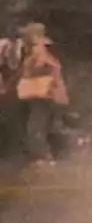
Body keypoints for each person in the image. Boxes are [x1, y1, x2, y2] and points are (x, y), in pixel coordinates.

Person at [16, 22, 69, 168]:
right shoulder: (42, 50)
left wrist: (30, 65)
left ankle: (44, 156)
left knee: (35, 126)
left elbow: (37, 68)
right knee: (38, 125)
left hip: (42, 94)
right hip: (42, 94)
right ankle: (43, 155)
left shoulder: (39, 51)